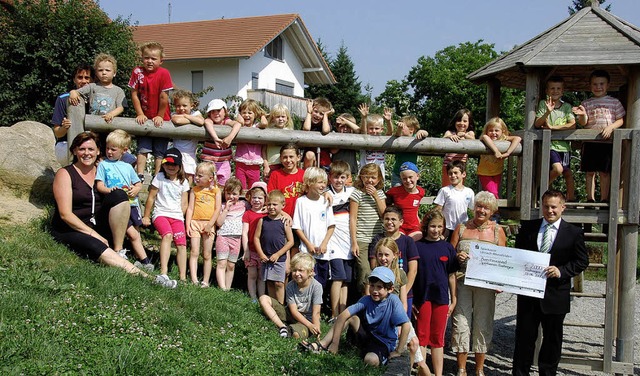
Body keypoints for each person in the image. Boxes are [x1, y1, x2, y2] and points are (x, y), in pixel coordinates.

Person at [50, 131, 176, 288]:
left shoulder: (103, 170)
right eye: (82, 149)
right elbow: (65, 214)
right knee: (95, 245)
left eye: (91, 149)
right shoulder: (65, 174)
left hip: (98, 222)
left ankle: (118, 249)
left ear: (98, 151)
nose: (86, 153)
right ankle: (150, 279)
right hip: (72, 228)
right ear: (74, 151)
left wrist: (134, 188)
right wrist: (93, 234)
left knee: (118, 194)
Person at [512, 190, 589, 376]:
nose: (550, 210)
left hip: (555, 295)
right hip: (529, 294)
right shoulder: (528, 228)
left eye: (554, 207)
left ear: (563, 207)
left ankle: (547, 373)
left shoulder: (574, 233)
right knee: (524, 338)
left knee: (552, 340)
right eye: (546, 206)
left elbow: (581, 261)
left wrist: (561, 271)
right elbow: (517, 256)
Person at [301, 266, 410, 368]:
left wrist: (399, 350)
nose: (374, 290)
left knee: (370, 360)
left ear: (390, 289)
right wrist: (335, 343)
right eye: (372, 286)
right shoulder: (366, 299)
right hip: (367, 336)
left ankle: (372, 354)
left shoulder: (393, 301)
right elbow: (343, 316)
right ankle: (323, 344)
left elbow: (406, 325)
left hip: (382, 342)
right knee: (350, 318)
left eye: (379, 287)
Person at [450, 191, 507, 376]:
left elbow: (504, 260)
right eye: (479, 206)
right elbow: (449, 255)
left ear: (492, 211)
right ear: (474, 207)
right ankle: (461, 367)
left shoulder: (498, 231)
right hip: (462, 281)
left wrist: (501, 282)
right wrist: (457, 256)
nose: (482, 210)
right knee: (461, 322)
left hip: (486, 285)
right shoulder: (461, 228)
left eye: (486, 208)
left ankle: (480, 368)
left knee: (483, 323)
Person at [94, 130, 153, 271]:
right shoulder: (103, 165)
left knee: (135, 234)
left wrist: (136, 189)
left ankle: (143, 261)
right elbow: (100, 185)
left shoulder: (127, 167)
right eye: (107, 148)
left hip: (132, 204)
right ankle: (141, 260)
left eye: (113, 149)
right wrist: (109, 191)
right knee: (131, 232)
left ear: (124, 151)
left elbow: (138, 183)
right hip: (117, 205)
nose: (109, 152)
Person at [414, 210, 459, 376]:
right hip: (423, 297)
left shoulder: (447, 248)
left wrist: (453, 299)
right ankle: (422, 371)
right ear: (426, 227)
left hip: (441, 298)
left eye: (440, 227)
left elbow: (452, 276)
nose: (436, 230)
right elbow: (412, 274)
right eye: (433, 226)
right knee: (422, 335)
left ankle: (438, 373)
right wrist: (412, 300)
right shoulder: (418, 246)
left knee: (438, 338)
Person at [572, 69, 625, 204]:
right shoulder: (586, 103)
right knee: (590, 172)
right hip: (590, 142)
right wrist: (582, 114)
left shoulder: (614, 102)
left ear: (608, 85)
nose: (598, 87)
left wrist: (610, 127)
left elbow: (620, 120)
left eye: (601, 84)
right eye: (595, 84)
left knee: (605, 172)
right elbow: (583, 123)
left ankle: (604, 199)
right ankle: (590, 199)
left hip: (607, 142)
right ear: (590, 85)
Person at [142, 148, 190, 283]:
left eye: (174, 164)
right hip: (161, 213)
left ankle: (183, 278)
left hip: (177, 216)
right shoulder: (159, 177)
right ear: (163, 164)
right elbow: (151, 197)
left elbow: (184, 202)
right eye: (167, 163)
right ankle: (164, 271)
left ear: (180, 166)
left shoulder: (183, 182)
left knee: (181, 244)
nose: (170, 167)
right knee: (167, 235)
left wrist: (181, 217)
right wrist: (146, 216)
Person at [128, 42, 174, 178]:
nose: (149, 61)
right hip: (145, 115)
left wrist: (160, 116)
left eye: (153, 59)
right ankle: (140, 174)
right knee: (143, 147)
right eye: (146, 58)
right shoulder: (138, 71)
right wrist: (140, 113)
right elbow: (134, 94)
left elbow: (164, 97)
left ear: (161, 60)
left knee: (160, 151)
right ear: (142, 58)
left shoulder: (164, 73)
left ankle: (158, 175)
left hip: (162, 116)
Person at [368, 205, 419, 319]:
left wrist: (403, 293)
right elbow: (374, 267)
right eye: (387, 219)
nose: (389, 222)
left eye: (393, 219)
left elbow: (413, 270)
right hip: (381, 293)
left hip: (404, 293)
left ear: (401, 222)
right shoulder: (377, 240)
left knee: (401, 323)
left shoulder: (408, 241)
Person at [259, 253, 323, 339]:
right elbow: (294, 311)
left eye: (301, 270)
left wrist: (314, 327)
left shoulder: (316, 287)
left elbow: (316, 313)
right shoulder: (290, 285)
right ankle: (282, 326)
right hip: (292, 315)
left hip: (307, 321)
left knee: (295, 334)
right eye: (294, 270)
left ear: (310, 272)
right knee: (263, 299)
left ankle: (292, 330)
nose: (297, 273)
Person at [535, 77, 577, 201]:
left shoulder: (567, 107)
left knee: (568, 173)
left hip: (564, 146)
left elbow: (572, 124)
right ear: (547, 90)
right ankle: (541, 188)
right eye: (552, 88)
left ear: (563, 91)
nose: (555, 91)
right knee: (558, 169)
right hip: (550, 145)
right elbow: (538, 124)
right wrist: (547, 112)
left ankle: (571, 200)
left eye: (558, 88)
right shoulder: (543, 104)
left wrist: (553, 127)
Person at [292, 167, 335, 288]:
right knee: (305, 283)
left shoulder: (326, 201)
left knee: (321, 284)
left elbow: (331, 225)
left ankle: (318, 307)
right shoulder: (301, 201)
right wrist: (308, 244)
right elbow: (297, 227)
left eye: (325, 183)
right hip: (306, 252)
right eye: (320, 182)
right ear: (310, 182)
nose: (323, 186)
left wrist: (324, 244)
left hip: (323, 253)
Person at [350, 163, 386, 294]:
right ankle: (364, 299)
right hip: (362, 238)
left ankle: (377, 298)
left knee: (377, 269)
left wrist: (376, 195)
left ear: (379, 179)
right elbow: (353, 219)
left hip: (377, 238)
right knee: (365, 270)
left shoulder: (380, 194)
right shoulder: (357, 194)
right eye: (366, 177)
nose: (369, 180)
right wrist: (354, 242)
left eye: (373, 177)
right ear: (361, 178)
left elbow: (384, 214)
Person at [326, 161, 355, 320]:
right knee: (337, 278)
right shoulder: (326, 193)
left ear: (347, 178)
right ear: (330, 178)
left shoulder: (351, 192)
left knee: (346, 281)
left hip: (348, 242)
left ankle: (342, 314)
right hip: (333, 243)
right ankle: (333, 313)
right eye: (336, 177)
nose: (339, 181)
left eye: (342, 177)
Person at [254, 190, 294, 304]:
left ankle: (280, 307)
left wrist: (278, 254)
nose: (271, 207)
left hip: (279, 259)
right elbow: (256, 238)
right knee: (270, 282)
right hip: (266, 258)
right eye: (269, 204)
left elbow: (290, 241)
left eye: (274, 204)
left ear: (283, 205)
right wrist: (261, 254)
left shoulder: (284, 222)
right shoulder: (262, 220)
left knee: (279, 283)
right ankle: (273, 306)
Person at [185, 161, 221, 287]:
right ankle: (194, 279)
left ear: (210, 178)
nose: (197, 178)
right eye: (196, 175)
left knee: (207, 254)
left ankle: (205, 281)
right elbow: (190, 208)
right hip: (195, 223)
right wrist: (188, 224)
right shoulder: (194, 190)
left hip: (208, 224)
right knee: (194, 251)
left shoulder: (216, 191)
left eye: (200, 176)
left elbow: (217, 209)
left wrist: (210, 225)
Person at [52, 64, 93, 166]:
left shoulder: (97, 100)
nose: (83, 81)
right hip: (66, 143)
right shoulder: (63, 99)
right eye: (80, 77)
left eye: (87, 78)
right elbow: (57, 133)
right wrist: (65, 127)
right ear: (74, 79)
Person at [69, 53, 125, 124]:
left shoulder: (118, 91)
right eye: (100, 70)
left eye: (107, 70)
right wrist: (73, 93)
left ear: (114, 73)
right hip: (92, 125)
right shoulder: (92, 86)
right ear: (96, 73)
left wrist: (111, 114)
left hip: (110, 125)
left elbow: (121, 107)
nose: (104, 73)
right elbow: (76, 92)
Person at [478, 117, 522, 199]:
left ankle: (492, 210)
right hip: (484, 173)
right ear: (487, 131)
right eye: (490, 130)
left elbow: (518, 138)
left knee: (494, 193)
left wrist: (508, 152)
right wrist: (496, 151)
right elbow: (485, 137)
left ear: (503, 131)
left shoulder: (503, 139)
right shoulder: (485, 138)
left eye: (496, 130)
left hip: (497, 172)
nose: (493, 133)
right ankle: (496, 210)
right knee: (493, 193)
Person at [201, 99, 242, 186]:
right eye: (213, 111)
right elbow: (207, 122)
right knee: (208, 185)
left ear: (225, 112)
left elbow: (237, 124)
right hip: (209, 161)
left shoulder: (226, 121)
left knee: (224, 184)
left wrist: (229, 138)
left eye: (219, 110)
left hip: (224, 161)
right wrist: (215, 138)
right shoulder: (209, 121)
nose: (216, 113)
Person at [215, 177, 245, 290]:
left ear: (239, 194)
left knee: (231, 265)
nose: (231, 197)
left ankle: (227, 288)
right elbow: (219, 222)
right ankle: (222, 288)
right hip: (223, 237)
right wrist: (226, 209)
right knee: (222, 263)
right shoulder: (222, 206)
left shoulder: (243, 205)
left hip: (237, 238)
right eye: (228, 193)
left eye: (234, 194)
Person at [434, 160, 475, 240]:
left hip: (462, 227)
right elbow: (438, 209)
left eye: (456, 173)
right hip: (447, 227)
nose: (453, 175)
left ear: (463, 174)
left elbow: (473, 210)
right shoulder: (445, 190)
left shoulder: (469, 192)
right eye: (450, 173)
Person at [171, 89, 205, 183]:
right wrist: (192, 120)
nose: (181, 108)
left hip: (190, 154)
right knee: (176, 179)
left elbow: (201, 121)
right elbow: (177, 121)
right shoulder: (174, 114)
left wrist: (186, 116)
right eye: (178, 106)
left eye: (184, 105)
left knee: (189, 178)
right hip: (177, 152)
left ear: (192, 105)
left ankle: (188, 196)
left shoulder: (196, 113)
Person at [385, 161, 425, 240]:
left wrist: (420, 223)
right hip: (399, 226)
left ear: (417, 176)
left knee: (418, 237)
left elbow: (416, 210)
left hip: (414, 226)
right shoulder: (395, 191)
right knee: (400, 240)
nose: (408, 180)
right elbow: (385, 202)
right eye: (404, 178)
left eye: (410, 177)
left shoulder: (421, 192)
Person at [242, 182, 268, 300]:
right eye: (254, 197)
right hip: (251, 249)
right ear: (250, 198)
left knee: (261, 276)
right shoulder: (247, 214)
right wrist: (246, 250)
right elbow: (245, 233)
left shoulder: (267, 214)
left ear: (265, 199)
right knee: (252, 275)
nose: (256, 200)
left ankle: (262, 297)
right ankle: (253, 297)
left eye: (260, 198)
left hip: (263, 250)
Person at [235, 99, 267, 189]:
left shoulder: (256, 127)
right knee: (241, 187)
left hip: (254, 164)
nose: (246, 115)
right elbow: (239, 120)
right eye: (244, 113)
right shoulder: (239, 126)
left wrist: (262, 114)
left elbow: (264, 123)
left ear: (255, 115)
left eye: (250, 113)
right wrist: (239, 116)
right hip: (241, 162)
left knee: (254, 188)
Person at [391, 115, 428, 187]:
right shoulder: (398, 138)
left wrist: (421, 131)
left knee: (410, 193)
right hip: (397, 173)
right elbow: (397, 134)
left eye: (402, 127)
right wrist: (399, 129)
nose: (400, 128)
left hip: (410, 174)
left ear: (411, 129)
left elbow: (426, 133)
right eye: (399, 126)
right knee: (396, 193)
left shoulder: (416, 138)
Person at [442, 109, 475, 187]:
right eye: (459, 120)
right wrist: (451, 137)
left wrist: (464, 135)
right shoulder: (450, 132)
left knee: (459, 187)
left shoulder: (470, 133)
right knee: (446, 187)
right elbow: (443, 139)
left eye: (465, 121)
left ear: (469, 123)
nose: (461, 123)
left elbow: (474, 141)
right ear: (455, 122)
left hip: (461, 166)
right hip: (448, 165)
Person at [358, 104, 393, 177]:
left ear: (381, 129)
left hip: (379, 175)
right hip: (365, 174)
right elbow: (363, 133)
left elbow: (390, 133)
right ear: (367, 129)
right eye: (371, 128)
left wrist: (388, 121)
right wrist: (364, 118)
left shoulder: (383, 140)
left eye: (376, 128)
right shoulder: (365, 139)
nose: (374, 131)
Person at [261, 104, 294, 180]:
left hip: (286, 164)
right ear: (272, 118)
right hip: (272, 164)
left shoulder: (290, 131)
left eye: (283, 116)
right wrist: (266, 165)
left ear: (287, 118)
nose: (280, 119)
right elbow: (264, 150)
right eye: (277, 117)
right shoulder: (268, 131)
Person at [302, 97, 333, 169]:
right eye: (315, 111)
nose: (317, 115)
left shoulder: (326, 123)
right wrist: (309, 112)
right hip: (310, 160)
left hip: (324, 161)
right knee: (310, 154)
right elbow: (306, 128)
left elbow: (325, 130)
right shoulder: (307, 121)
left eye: (321, 114)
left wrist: (326, 116)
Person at [330, 113, 360, 178]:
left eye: (348, 126)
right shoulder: (335, 136)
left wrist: (346, 121)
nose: (345, 129)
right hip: (336, 170)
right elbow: (333, 151)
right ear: (337, 127)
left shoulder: (355, 137)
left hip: (351, 171)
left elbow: (360, 131)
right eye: (342, 126)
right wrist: (342, 139)